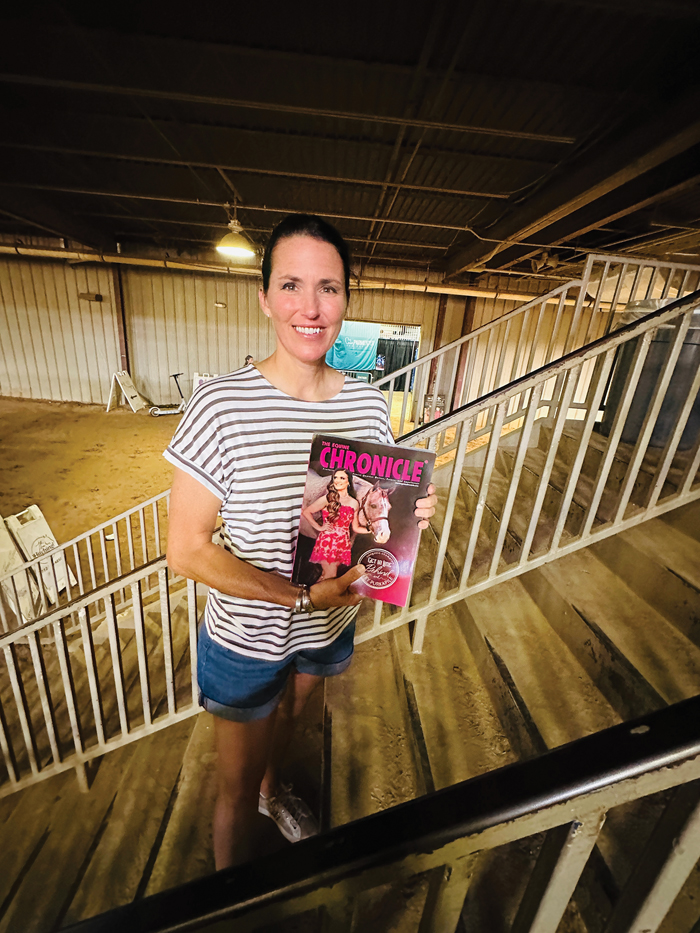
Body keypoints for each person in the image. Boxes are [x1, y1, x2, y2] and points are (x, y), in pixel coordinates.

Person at [165, 213, 437, 869]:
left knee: (289, 720)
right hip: (249, 637)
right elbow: (187, 549)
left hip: (328, 621)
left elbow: (370, 513)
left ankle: (273, 791)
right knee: (230, 788)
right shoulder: (220, 406)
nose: (310, 308)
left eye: (328, 288)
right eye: (291, 285)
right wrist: (299, 596)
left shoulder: (369, 405)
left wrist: (408, 512)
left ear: (346, 298)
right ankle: (230, 898)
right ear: (264, 297)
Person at [303, 468, 370, 582]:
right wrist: (319, 527)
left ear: (349, 482)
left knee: (327, 576)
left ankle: (311, 591)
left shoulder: (354, 503)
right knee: (330, 575)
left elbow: (355, 528)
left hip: (343, 544)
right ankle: (314, 593)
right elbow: (306, 512)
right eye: (335, 478)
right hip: (328, 542)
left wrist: (371, 530)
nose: (338, 480)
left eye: (342, 478)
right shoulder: (328, 498)